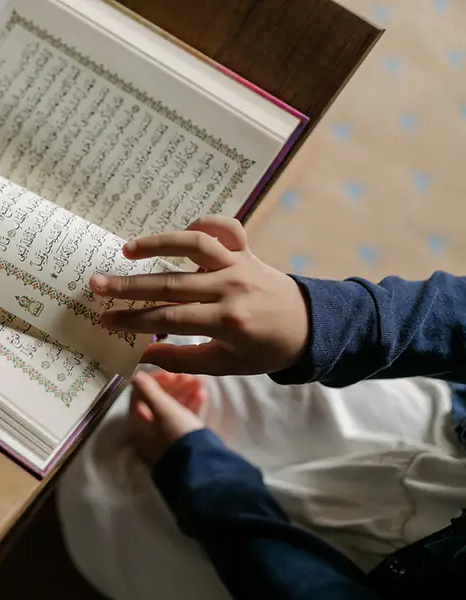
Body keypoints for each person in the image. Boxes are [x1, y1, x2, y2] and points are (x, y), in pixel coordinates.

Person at [56, 216, 466, 600]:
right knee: (195, 337)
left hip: (351, 574)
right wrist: (313, 319)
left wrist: (191, 464)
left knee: (98, 494)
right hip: (444, 435)